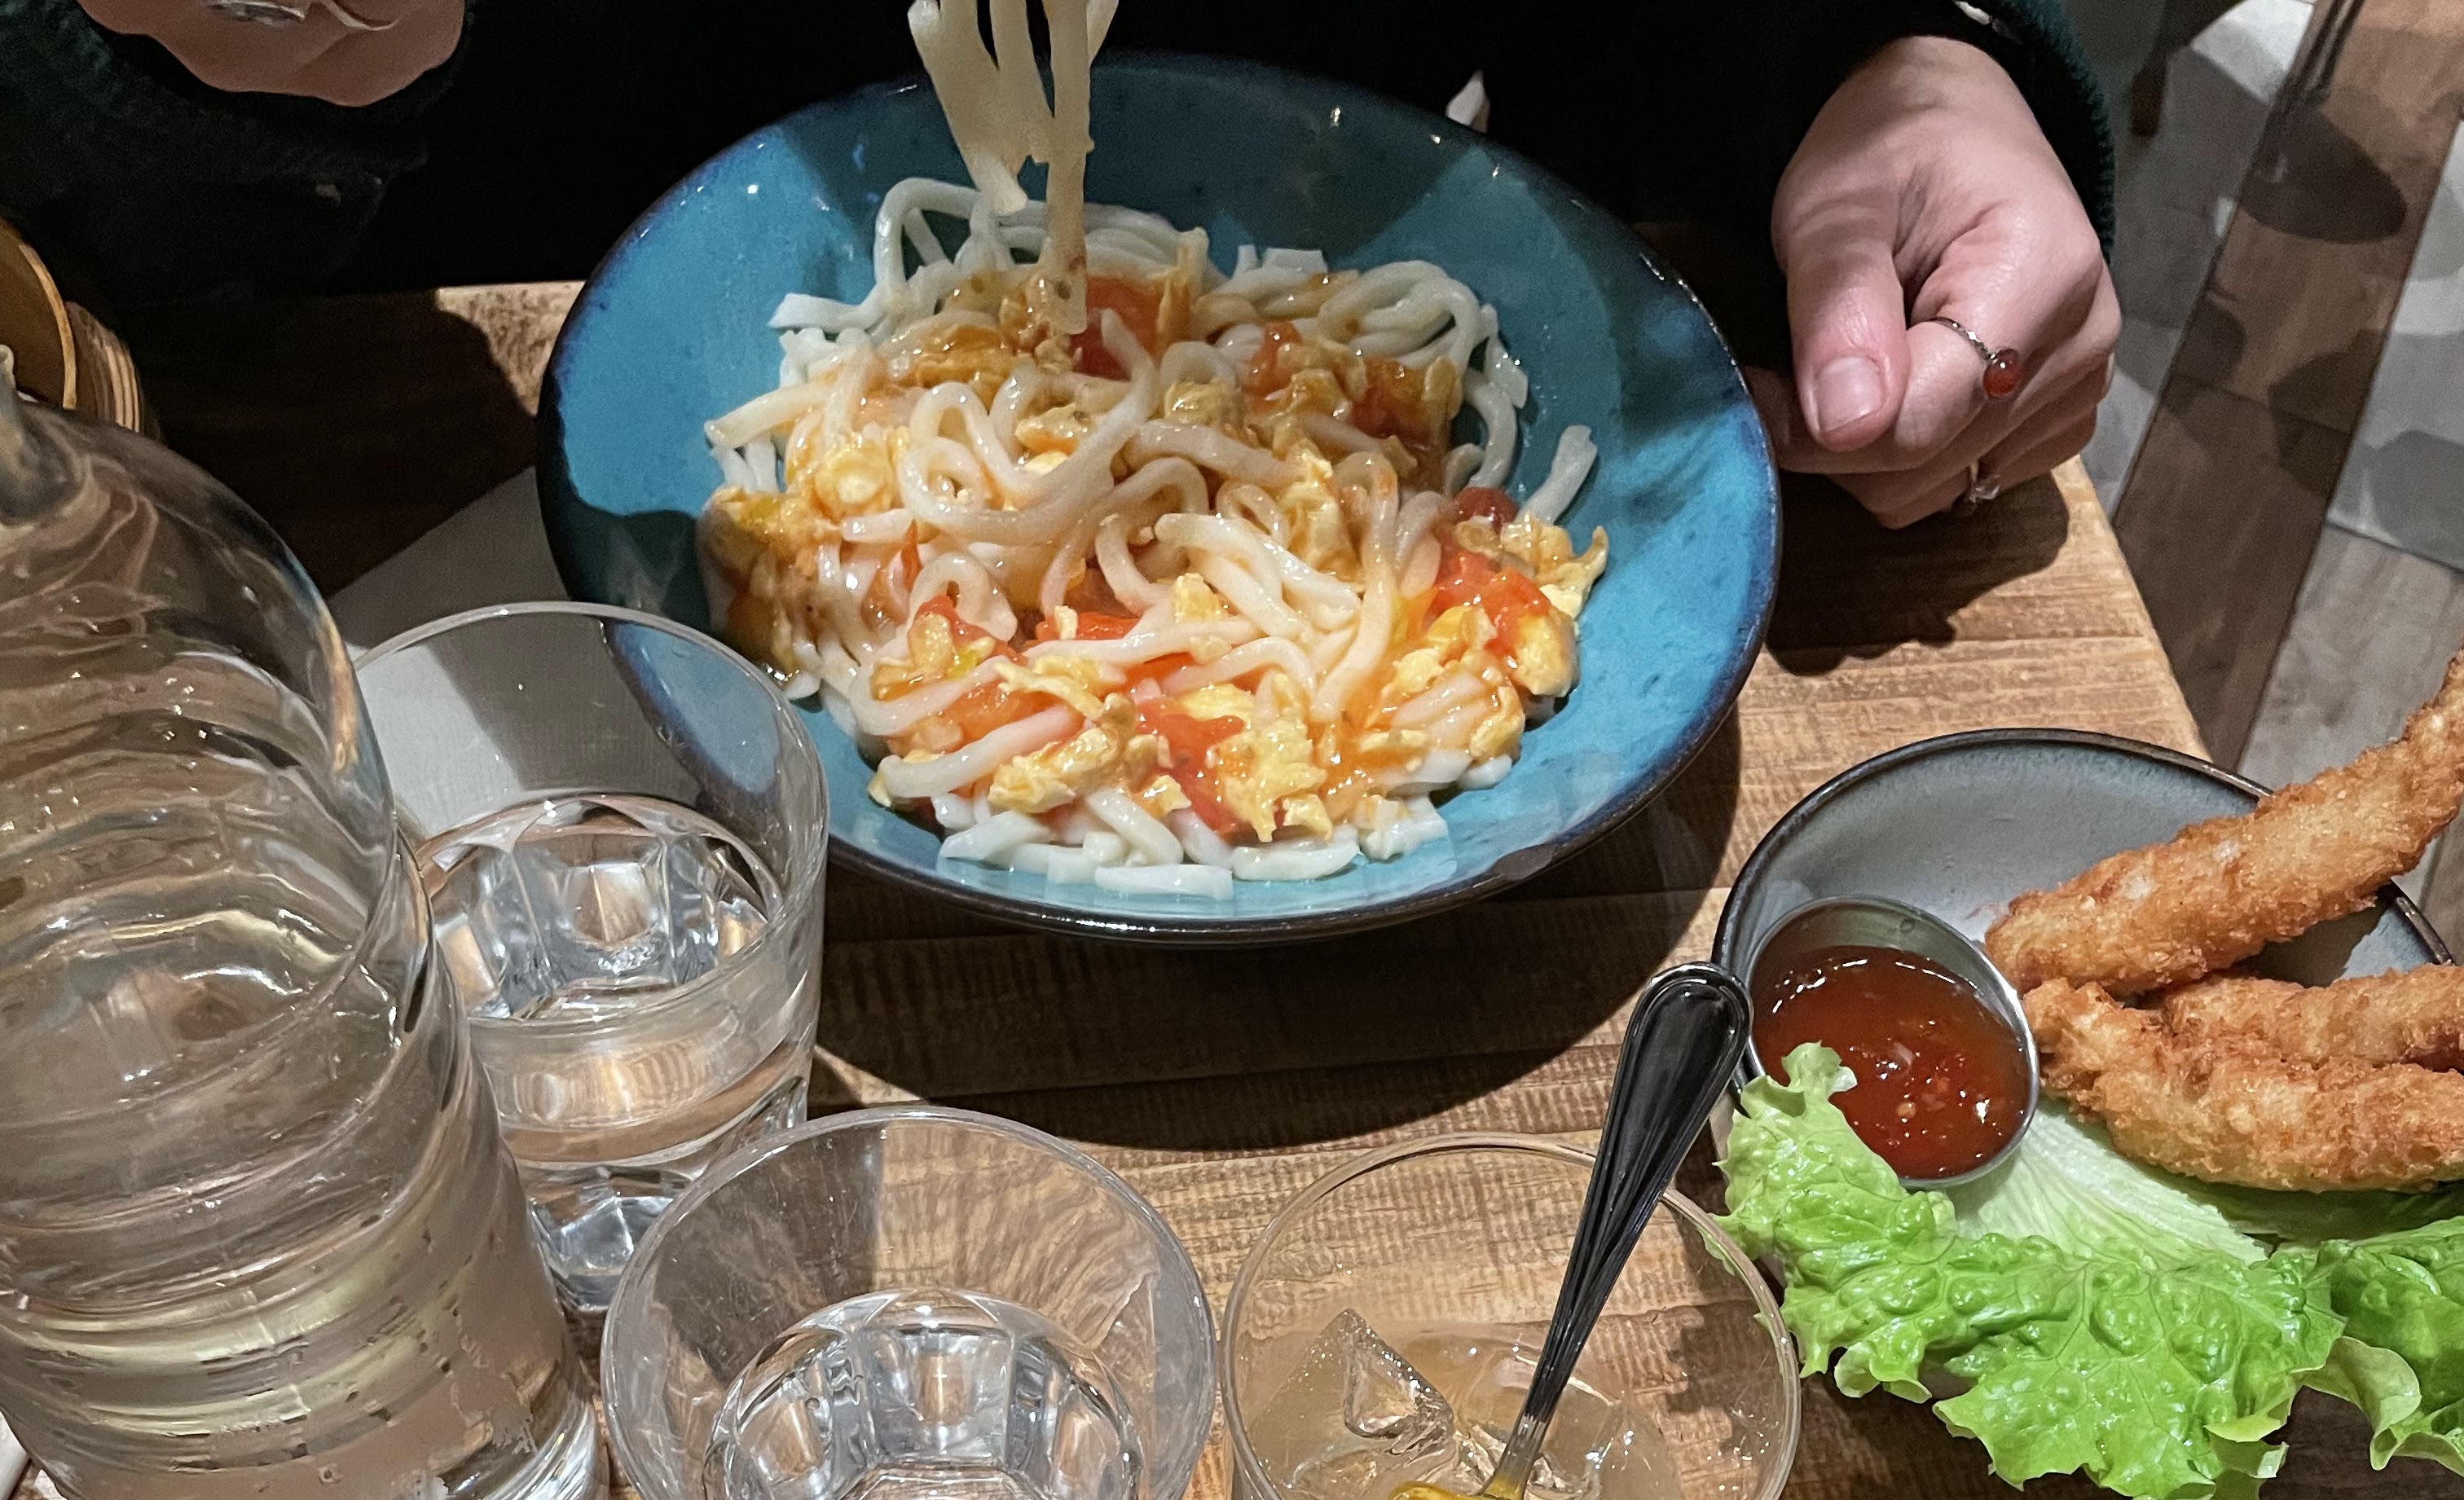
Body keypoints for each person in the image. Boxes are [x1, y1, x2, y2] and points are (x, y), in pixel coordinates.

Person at [1, 0, 2119, 526]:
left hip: (1379, 430)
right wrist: (174, 80)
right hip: (435, 543)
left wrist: (1879, 57)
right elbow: (99, 242)